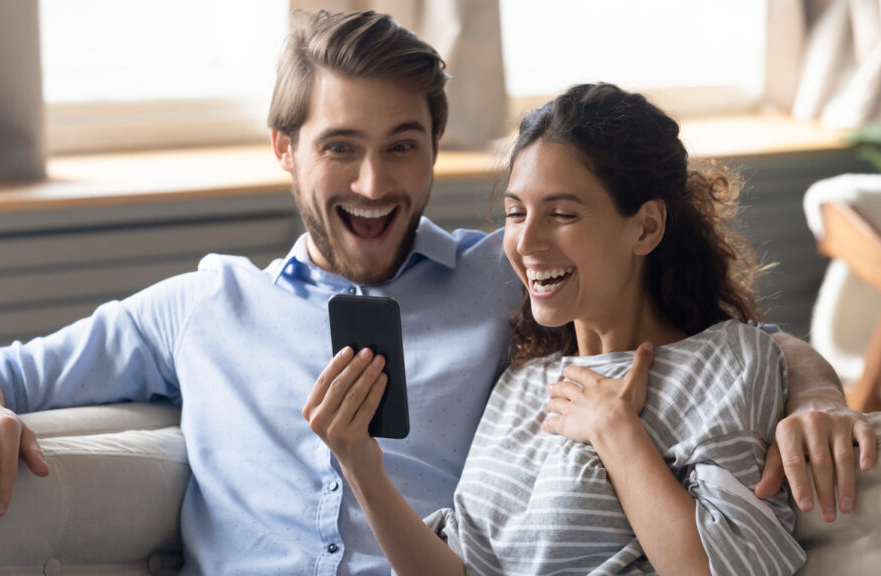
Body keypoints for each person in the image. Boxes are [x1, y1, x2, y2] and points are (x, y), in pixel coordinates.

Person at [0, 9, 871, 575]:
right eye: (341, 148)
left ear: (433, 149)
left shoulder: (510, 270)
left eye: (402, 147)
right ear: (285, 151)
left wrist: (817, 392)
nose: (375, 185)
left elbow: (706, 337)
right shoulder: (202, 307)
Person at [306, 83, 808, 575]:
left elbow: (730, 568)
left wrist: (616, 432)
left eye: (562, 214)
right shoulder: (520, 382)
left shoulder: (730, 361)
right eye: (515, 213)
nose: (525, 242)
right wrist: (362, 467)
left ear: (647, 227)